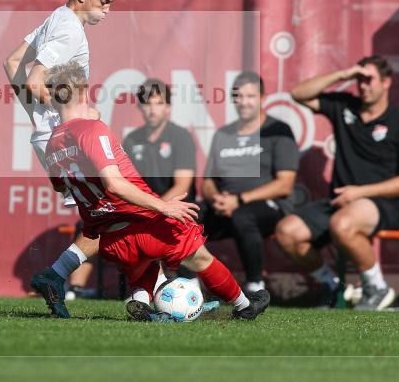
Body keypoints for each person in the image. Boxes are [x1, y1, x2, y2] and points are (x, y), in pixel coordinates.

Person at [42, 61, 271, 322]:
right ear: (84, 92)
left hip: (112, 238)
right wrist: (163, 207)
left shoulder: (52, 145)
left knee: (143, 269)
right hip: (143, 221)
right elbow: (114, 183)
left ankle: (140, 302)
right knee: (202, 258)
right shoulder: (93, 130)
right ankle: (244, 305)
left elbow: (61, 187)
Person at [2, 0, 118, 319]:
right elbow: (35, 80)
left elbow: (10, 63)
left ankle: (56, 276)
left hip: (52, 138)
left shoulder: (56, 17)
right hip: (69, 139)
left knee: (105, 219)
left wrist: (38, 122)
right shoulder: (70, 29)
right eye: (105, 2)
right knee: (126, 210)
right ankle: (160, 294)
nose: (107, 11)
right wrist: (71, 116)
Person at [275, 55, 399, 311]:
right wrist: (343, 75)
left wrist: (360, 192)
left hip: (382, 205)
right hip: (339, 201)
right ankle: (332, 286)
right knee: (287, 232)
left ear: (386, 82)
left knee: (342, 223)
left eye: (369, 80)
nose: (363, 86)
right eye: (359, 80)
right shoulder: (345, 107)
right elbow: (298, 93)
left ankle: (376, 286)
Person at [62, 77, 196, 298]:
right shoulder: (133, 139)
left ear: (168, 107)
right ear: (140, 107)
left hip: (172, 204)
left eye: (158, 103)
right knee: (92, 223)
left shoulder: (180, 137)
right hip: (140, 203)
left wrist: (159, 207)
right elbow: (120, 181)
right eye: (147, 104)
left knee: (150, 225)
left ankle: (163, 288)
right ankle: (74, 290)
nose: (152, 110)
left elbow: (183, 184)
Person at [201, 72, 298, 293]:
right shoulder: (222, 134)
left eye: (250, 96)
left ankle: (255, 285)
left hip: (269, 206)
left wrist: (240, 200)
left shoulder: (278, 131)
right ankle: (190, 284)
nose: (244, 102)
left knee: (243, 215)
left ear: (263, 98)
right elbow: (207, 181)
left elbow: (285, 185)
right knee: (188, 218)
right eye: (239, 96)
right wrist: (216, 198)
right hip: (226, 206)